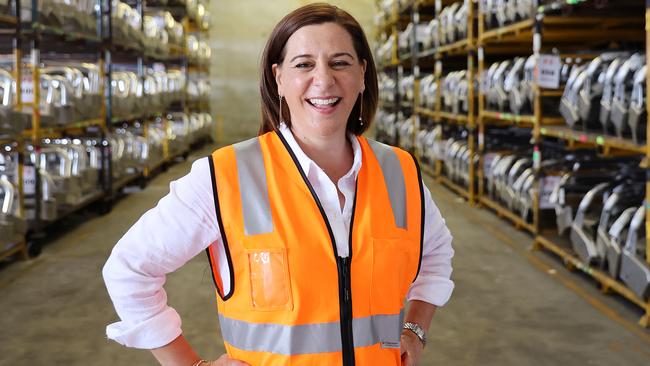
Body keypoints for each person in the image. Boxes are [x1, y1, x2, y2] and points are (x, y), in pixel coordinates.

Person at [103, 3, 454, 366]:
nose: (324, 80)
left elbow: (437, 255)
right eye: (304, 64)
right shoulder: (225, 175)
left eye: (340, 62)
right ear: (278, 79)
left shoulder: (398, 171)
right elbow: (129, 268)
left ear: (363, 74)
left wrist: (415, 329)